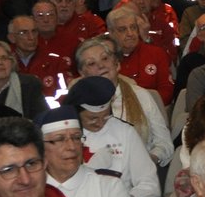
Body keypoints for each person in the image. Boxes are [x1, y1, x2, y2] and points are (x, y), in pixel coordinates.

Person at [73, 35, 173, 166]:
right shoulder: (76, 105)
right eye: (91, 63)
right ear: (82, 73)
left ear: (116, 64)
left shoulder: (141, 95)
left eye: (105, 58)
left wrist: (149, 160)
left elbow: (164, 143)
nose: (101, 65)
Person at [67, 76, 161, 197]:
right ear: (77, 113)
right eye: (92, 119)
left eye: (105, 116)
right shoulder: (64, 136)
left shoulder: (124, 132)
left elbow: (149, 184)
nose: (100, 123)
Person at [108, 4, 173, 104]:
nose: (130, 34)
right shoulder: (106, 58)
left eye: (133, 27)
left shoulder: (156, 53)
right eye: (123, 29)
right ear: (111, 33)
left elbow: (167, 92)